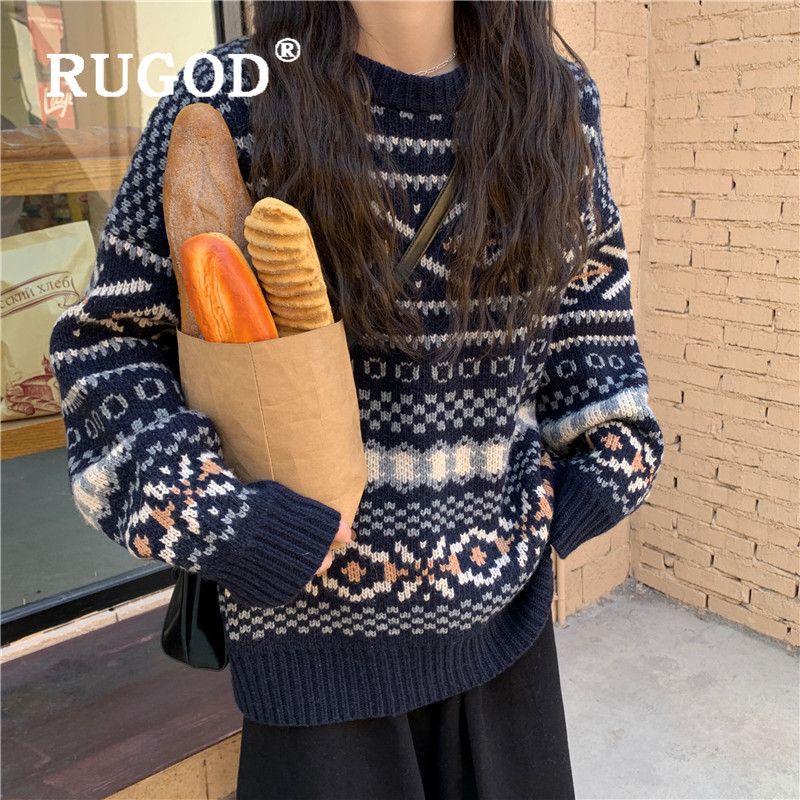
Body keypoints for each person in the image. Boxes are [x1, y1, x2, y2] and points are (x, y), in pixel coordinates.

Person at [48, 2, 664, 798]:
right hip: (312, 669)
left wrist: (586, 489)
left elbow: (593, 329)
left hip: (507, 648)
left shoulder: (557, 105)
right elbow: (109, 349)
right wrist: (233, 524)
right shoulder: (232, 96)